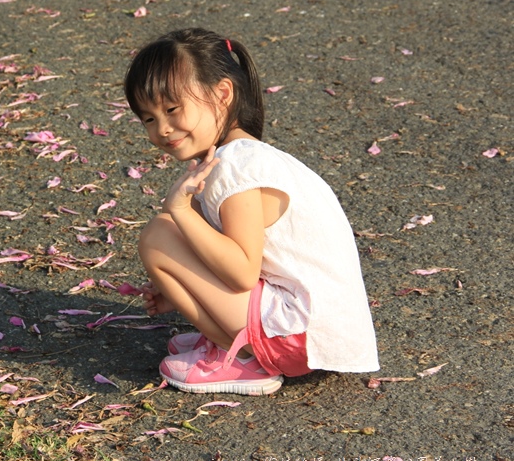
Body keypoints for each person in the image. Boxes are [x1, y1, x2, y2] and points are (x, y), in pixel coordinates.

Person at [123, 28, 379, 395]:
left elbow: (242, 273)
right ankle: (234, 341)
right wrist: (181, 287)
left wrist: (179, 209)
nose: (162, 129)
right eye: (148, 118)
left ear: (222, 94)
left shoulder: (236, 167)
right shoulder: (247, 157)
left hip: (298, 336)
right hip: (318, 332)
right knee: (173, 231)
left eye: (172, 109)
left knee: (158, 236)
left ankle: (241, 356)